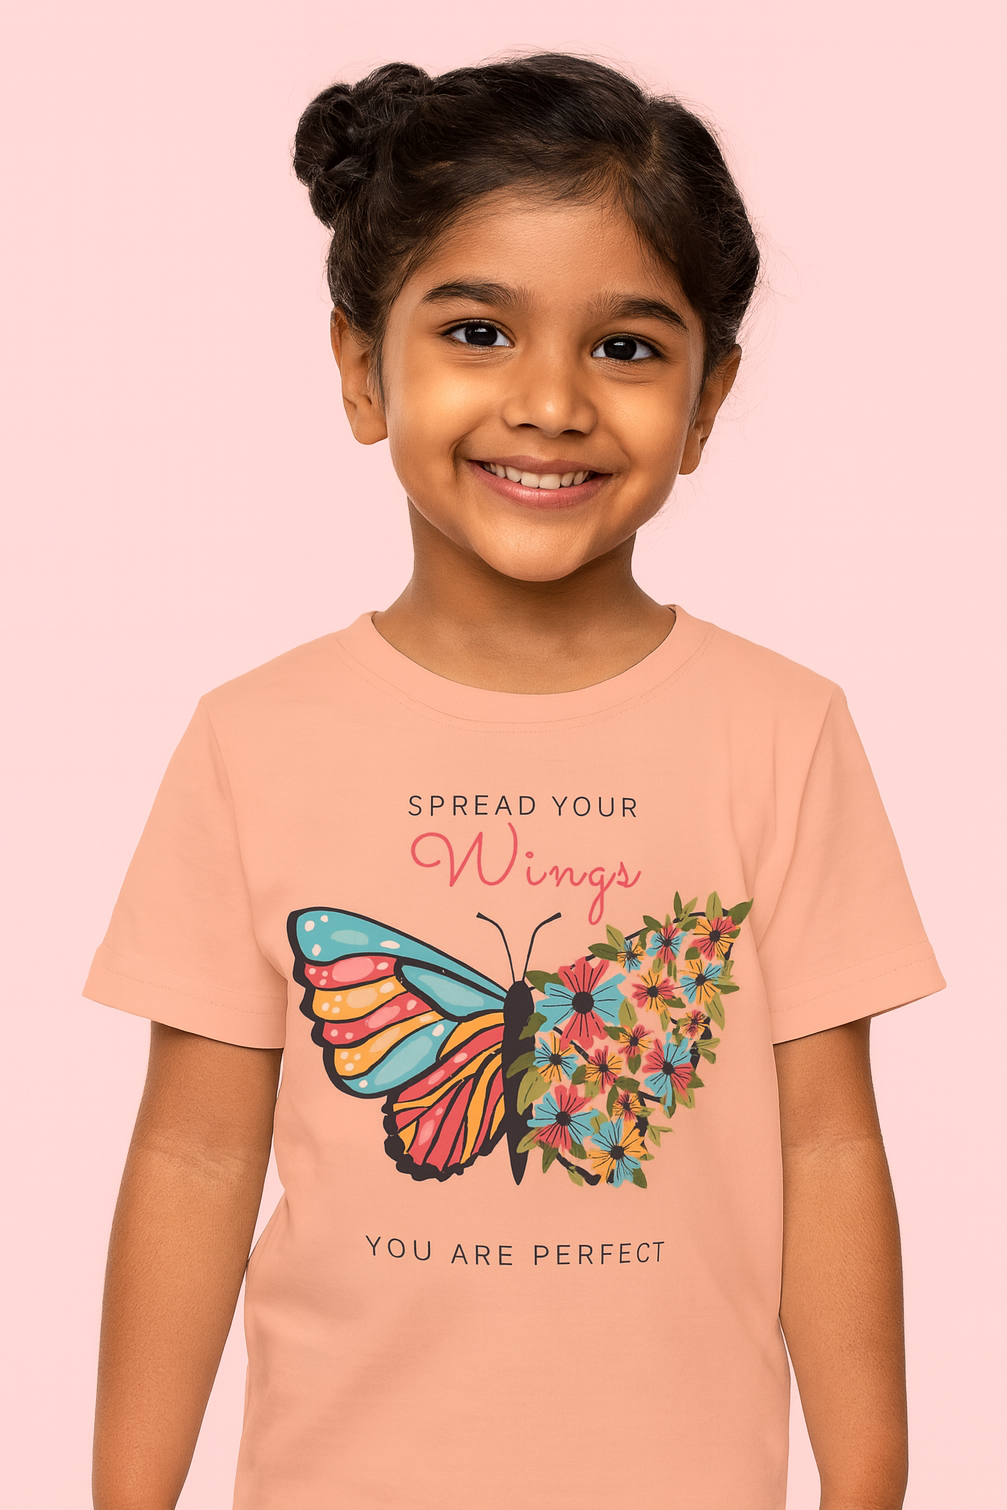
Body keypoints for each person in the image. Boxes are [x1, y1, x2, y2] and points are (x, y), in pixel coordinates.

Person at [86, 53, 944, 1510]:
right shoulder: (253, 736)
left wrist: (866, 1485)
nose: (548, 401)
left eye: (625, 347)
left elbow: (824, 1137)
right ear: (364, 368)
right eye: (477, 330)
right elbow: (189, 1150)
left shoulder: (781, 729)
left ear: (707, 399)